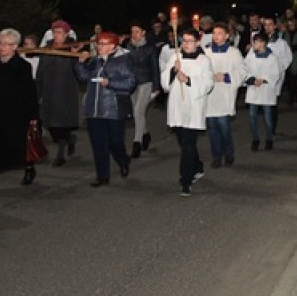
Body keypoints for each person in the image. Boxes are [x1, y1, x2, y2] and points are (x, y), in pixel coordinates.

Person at [0, 28, 40, 197]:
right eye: (0, 43)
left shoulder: (23, 66)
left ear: (15, 46)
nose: (2, 46)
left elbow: (30, 92)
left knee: (19, 146)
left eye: (7, 44)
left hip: (16, 114)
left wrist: (33, 116)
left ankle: (29, 167)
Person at [75, 31, 136, 187]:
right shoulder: (95, 61)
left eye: (102, 44)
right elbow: (84, 77)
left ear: (112, 46)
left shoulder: (124, 60)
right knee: (98, 143)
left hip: (113, 109)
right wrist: (80, 63)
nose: (98, 47)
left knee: (115, 142)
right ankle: (102, 176)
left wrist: (110, 83)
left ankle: (123, 160)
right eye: (98, 43)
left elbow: (130, 84)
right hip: (94, 109)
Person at [161, 28, 213, 197]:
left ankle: (186, 180)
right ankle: (197, 166)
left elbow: (208, 84)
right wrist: (172, 72)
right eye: (184, 40)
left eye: (190, 41)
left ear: (197, 43)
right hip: (177, 107)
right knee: (184, 143)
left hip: (193, 107)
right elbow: (164, 83)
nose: (186, 44)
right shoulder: (175, 57)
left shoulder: (203, 61)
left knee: (188, 145)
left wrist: (188, 80)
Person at [35, 20, 80, 167]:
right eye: (55, 32)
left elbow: (79, 69)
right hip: (49, 91)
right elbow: (41, 70)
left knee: (62, 123)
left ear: (67, 34)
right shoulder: (47, 48)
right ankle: (69, 139)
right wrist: (38, 91)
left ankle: (60, 155)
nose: (57, 35)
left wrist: (76, 56)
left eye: (60, 32)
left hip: (65, 91)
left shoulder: (71, 47)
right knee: (51, 125)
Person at [206, 22, 246, 168]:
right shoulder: (206, 52)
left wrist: (226, 77)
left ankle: (229, 153)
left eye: (219, 33)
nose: (216, 36)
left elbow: (242, 72)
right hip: (210, 96)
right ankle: (216, 156)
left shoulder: (234, 53)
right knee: (212, 129)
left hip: (225, 95)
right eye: (214, 33)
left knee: (224, 127)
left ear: (227, 36)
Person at [124, 21, 161, 158]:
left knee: (139, 111)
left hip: (146, 82)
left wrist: (157, 87)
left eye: (137, 31)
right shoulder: (128, 47)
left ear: (144, 32)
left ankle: (137, 143)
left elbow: (155, 68)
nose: (134, 34)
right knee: (136, 113)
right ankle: (145, 134)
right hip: (132, 83)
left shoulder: (150, 48)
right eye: (132, 32)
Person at [243, 32, 281, 151]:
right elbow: (244, 68)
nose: (254, 44)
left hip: (266, 90)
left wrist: (264, 80)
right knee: (252, 116)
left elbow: (275, 73)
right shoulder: (250, 55)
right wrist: (251, 79)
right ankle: (255, 139)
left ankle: (269, 139)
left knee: (268, 118)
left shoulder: (272, 58)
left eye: (256, 42)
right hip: (254, 89)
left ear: (263, 43)